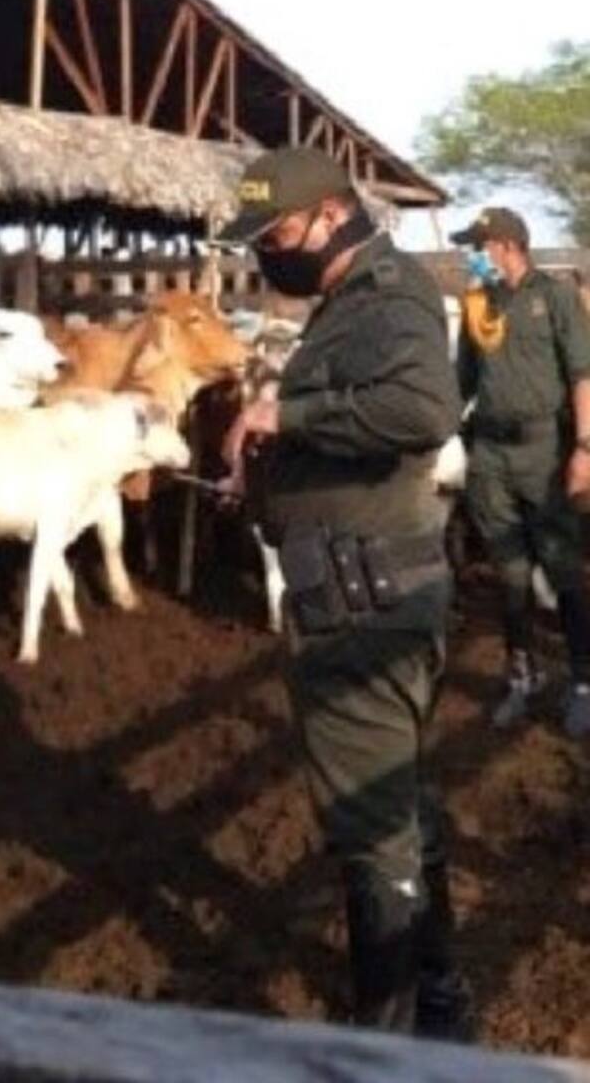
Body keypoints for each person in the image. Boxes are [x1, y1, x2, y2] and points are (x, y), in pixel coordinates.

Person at [218, 146, 470, 1037]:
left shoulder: (387, 295)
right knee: (395, 805)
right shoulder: (348, 301)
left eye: (278, 232)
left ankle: (392, 1045)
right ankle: (437, 1005)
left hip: (362, 602)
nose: (267, 253)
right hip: (364, 582)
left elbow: (423, 411)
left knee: (372, 828)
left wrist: (286, 415)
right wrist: (271, 470)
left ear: (332, 216)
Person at [451, 207, 590, 734]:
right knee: (509, 577)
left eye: (478, 247)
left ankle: (581, 681)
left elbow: (583, 375)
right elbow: (458, 386)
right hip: (490, 456)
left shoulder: (553, 299)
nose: (473, 257)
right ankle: (521, 677)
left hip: (544, 452)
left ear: (506, 246)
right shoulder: (476, 309)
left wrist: (584, 448)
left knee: (562, 568)